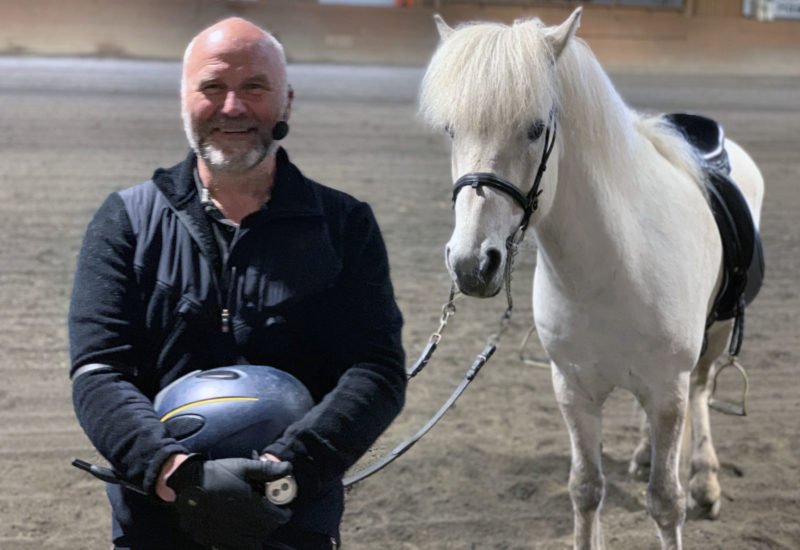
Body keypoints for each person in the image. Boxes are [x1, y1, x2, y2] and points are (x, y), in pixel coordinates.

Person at [69, 17, 406, 550]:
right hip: (157, 521)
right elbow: (99, 369)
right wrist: (171, 471)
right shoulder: (125, 221)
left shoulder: (344, 225)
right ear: (184, 98)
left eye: (254, 87)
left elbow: (376, 371)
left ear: (286, 101)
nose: (232, 107)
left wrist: (286, 471)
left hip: (292, 518)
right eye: (213, 87)